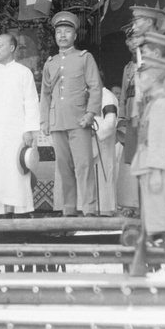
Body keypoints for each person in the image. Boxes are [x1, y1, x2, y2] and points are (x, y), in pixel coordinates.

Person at [40, 11, 102, 217]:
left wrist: (91, 113)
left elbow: (95, 87)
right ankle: (69, 209)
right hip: (58, 122)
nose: (63, 35)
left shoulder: (85, 58)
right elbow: (45, 94)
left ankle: (90, 209)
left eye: (67, 31)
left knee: (83, 165)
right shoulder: (50, 63)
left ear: (75, 36)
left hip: (79, 120)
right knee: (64, 168)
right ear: (55, 36)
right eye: (59, 32)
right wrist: (44, 121)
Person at [0, 33, 40, 217]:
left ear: (12, 48)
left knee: (15, 173)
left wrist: (29, 130)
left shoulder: (23, 72)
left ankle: (18, 213)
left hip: (16, 133)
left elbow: (31, 102)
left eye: (0, 45)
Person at [131, 54, 165, 282]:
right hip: (152, 167)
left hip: (158, 169)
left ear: (151, 77)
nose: (138, 80)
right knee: (156, 219)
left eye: (141, 76)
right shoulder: (153, 103)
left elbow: (161, 142)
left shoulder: (160, 105)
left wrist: (156, 172)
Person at [117, 6, 165, 212]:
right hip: (132, 118)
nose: (133, 42)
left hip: (149, 117)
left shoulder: (152, 62)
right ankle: (137, 206)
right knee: (134, 163)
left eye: (136, 38)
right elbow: (123, 98)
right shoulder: (128, 68)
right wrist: (121, 119)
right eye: (130, 40)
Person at [92, 76, 119, 217]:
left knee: (104, 177)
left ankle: (105, 210)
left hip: (103, 144)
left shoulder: (107, 96)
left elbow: (111, 120)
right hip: (91, 144)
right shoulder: (91, 95)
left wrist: (96, 132)